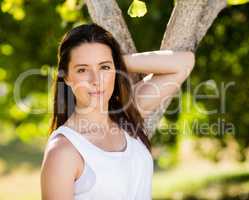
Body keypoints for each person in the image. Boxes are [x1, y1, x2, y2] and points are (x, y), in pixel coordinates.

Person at [40, 23, 195, 200]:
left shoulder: (126, 113)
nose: (96, 80)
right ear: (66, 77)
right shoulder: (64, 151)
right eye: (83, 70)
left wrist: (117, 62)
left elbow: (184, 63)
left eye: (104, 68)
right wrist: (108, 63)